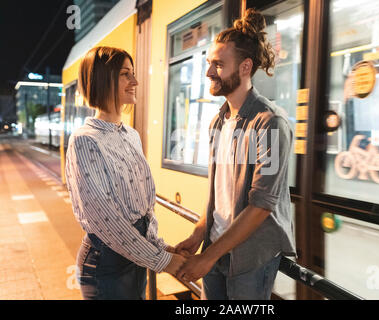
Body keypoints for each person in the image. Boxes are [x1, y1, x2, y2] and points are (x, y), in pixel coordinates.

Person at [175, 9, 296, 300]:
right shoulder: (218, 122)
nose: (208, 72)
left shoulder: (270, 123)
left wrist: (207, 257)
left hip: (249, 260)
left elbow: (261, 206)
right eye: (209, 63)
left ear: (245, 68)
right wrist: (197, 235)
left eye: (218, 64)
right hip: (215, 248)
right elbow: (218, 196)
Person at [65, 46, 185, 300]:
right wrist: (163, 260)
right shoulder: (85, 141)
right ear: (102, 79)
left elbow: (141, 212)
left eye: (133, 73)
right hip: (106, 265)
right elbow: (107, 221)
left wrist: (161, 247)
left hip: (135, 257)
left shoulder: (131, 135)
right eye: (125, 74)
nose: (135, 81)